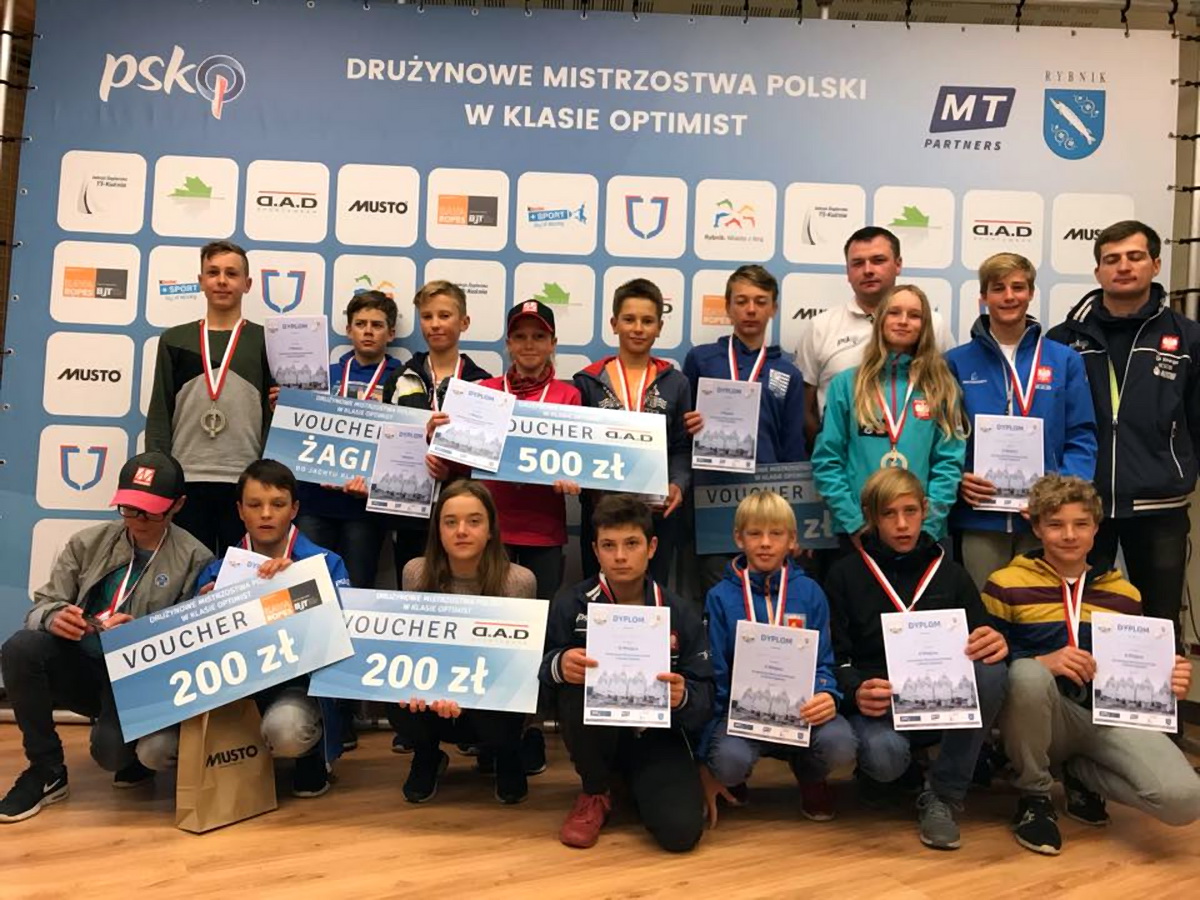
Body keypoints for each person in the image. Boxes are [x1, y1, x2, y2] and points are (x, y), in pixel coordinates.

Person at [984, 474, 1200, 855]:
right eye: (1055, 524)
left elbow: (1138, 668)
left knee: (1185, 800)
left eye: (1081, 524)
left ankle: (1081, 774)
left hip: (1106, 719)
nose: (1069, 535)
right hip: (1045, 718)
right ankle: (1035, 797)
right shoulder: (1005, 584)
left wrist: (1169, 683)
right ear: (1036, 527)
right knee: (1027, 675)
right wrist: (1041, 661)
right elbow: (987, 663)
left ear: (1096, 528)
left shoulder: (1125, 594)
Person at [0, 452, 212, 823]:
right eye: (129, 508)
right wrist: (53, 617)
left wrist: (141, 634)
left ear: (178, 505)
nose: (137, 520)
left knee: (111, 754)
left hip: (137, 680)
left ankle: (129, 744)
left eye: (150, 512)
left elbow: (189, 644)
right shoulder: (88, 542)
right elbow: (40, 606)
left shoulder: (195, 558)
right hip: (82, 665)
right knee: (20, 648)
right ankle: (46, 770)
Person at [136, 459, 352, 799]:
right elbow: (191, 653)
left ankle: (310, 756)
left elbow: (343, 640)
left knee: (286, 732)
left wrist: (301, 587)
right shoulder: (216, 572)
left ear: (294, 509)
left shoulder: (325, 564)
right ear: (240, 511)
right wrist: (202, 611)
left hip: (294, 688)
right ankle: (217, 763)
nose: (266, 514)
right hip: (230, 694)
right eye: (254, 504)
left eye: (277, 504)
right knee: (153, 750)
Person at [825, 468, 1009, 850]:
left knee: (992, 671)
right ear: (871, 517)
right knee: (885, 758)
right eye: (889, 514)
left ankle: (943, 794)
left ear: (925, 510)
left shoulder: (952, 574)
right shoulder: (844, 575)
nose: (902, 524)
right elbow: (834, 658)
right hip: (882, 706)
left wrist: (995, 641)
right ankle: (895, 771)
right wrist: (856, 690)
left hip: (943, 703)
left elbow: (983, 636)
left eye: (910, 511)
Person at [1046, 220, 1200, 642]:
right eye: (1111, 259)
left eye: (1135, 257)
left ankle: (1161, 687)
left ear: (1155, 264)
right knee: (1078, 619)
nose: (1124, 267)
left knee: (1159, 620)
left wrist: (1180, 469)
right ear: (1098, 272)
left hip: (1159, 504)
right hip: (1083, 504)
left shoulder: (1188, 338)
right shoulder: (1063, 339)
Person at [542, 494, 712, 851]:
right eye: (609, 545)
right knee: (576, 682)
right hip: (596, 736)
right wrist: (559, 664)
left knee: (681, 834)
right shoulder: (571, 604)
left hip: (657, 736)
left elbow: (705, 695)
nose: (620, 556)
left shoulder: (680, 611)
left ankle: (630, 783)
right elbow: (538, 675)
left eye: (631, 544)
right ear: (595, 550)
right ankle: (595, 790)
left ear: (652, 547)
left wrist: (684, 696)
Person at [700, 491, 858, 825]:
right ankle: (736, 777)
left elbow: (824, 659)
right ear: (738, 538)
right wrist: (715, 735)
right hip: (743, 713)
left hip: (801, 712)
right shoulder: (720, 596)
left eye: (776, 533)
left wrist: (827, 693)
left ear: (792, 540)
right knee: (728, 760)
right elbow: (716, 670)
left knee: (840, 742)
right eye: (754, 533)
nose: (765, 543)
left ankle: (810, 773)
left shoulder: (811, 592)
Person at [946, 253, 1097, 587]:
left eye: (1018, 287)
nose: (1009, 296)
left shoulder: (1064, 360)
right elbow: (942, 438)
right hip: (979, 517)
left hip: (1046, 520)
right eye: (998, 288)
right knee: (986, 606)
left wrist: (1060, 498)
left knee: (1043, 610)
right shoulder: (955, 362)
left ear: (1030, 293)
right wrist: (958, 478)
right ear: (983, 297)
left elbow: (1081, 436)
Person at [394, 480, 538, 805]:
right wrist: (431, 689)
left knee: (511, 701)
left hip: (491, 703)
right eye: (450, 522)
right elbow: (409, 650)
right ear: (438, 530)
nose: (461, 531)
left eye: (474, 521)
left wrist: (467, 695)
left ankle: (507, 755)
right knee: (394, 693)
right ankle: (427, 755)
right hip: (432, 698)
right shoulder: (415, 573)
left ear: (490, 530)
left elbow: (519, 671)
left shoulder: (518, 581)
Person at [430, 299, 581, 601]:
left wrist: (574, 477)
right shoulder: (484, 391)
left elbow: (576, 458)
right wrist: (438, 442)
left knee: (542, 615)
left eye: (539, 336)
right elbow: (462, 464)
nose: (529, 344)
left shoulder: (569, 395)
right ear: (509, 343)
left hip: (544, 527)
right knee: (489, 613)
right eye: (520, 336)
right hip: (490, 528)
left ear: (553, 343)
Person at [812, 284, 967, 549]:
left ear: (925, 326)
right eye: (894, 312)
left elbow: (949, 464)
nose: (903, 321)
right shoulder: (847, 385)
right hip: (859, 532)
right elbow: (828, 460)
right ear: (880, 319)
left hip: (922, 534)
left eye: (914, 315)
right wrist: (854, 523)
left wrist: (928, 526)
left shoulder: (941, 387)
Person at [146, 240, 273, 555]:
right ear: (201, 281)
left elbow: (273, 416)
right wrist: (162, 476)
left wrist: (266, 477)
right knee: (190, 573)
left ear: (247, 284)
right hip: (186, 478)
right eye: (213, 272)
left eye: (232, 273)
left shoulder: (267, 340)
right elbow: (160, 411)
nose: (222, 280)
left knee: (240, 573)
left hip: (246, 480)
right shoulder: (175, 339)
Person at [574, 277, 693, 584]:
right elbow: (576, 446)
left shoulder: (676, 383)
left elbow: (681, 447)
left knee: (652, 594)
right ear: (614, 324)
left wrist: (678, 484)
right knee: (600, 593)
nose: (638, 328)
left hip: (656, 513)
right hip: (602, 513)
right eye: (629, 319)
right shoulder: (588, 381)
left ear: (659, 327)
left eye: (647, 321)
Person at [794, 226, 955, 448]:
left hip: (917, 462)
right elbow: (805, 408)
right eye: (858, 263)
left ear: (898, 264)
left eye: (878, 260)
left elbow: (948, 396)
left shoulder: (933, 325)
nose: (868, 270)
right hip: (845, 464)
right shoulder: (820, 327)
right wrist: (833, 456)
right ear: (847, 271)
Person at [383, 280, 492, 582]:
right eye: (427, 316)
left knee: (463, 587)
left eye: (445, 315)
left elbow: (487, 457)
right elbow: (385, 440)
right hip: (409, 512)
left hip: (462, 514)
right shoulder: (400, 377)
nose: (435, 324)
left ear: (464, 322)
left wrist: (453, 471)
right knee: (413, 584)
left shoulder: (483, 384)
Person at [682, 264, 807, 465]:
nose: (751, 310)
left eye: (761, 302)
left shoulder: (788, 374)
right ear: (728, 307)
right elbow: (680, 433)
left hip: (766, 481)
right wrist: (687, 426)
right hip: (709, 479)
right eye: (741, 302)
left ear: (773, 309)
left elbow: (793, 446)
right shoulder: (700, 359)